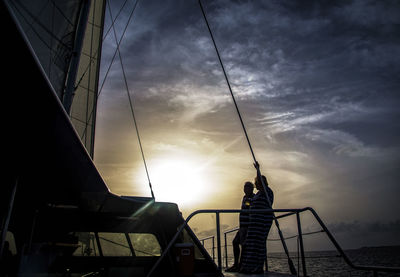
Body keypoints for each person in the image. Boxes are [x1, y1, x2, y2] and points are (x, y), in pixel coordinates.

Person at [239, 174, 274, 274]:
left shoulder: (267, 191)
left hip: (262, 222)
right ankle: (249, 267)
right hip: (253, 223)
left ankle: (258, 267)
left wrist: (258, 170)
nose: (255, 185)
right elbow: (250, 204)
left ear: (261, 183)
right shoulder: (258, 194)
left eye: (256, 183)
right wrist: (247, 203)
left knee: (259, 244)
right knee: (251, 245)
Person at [225, 181, 254, 272]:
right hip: (242, 227)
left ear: (251, 188)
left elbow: (249, 207)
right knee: (235, 242)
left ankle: (240, 266)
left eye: (247, 187)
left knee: (244, 245)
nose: (245, 189)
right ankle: (236, 264)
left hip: (247, 226)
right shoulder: (244, 197)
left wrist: (248, 203)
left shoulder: (253, 198)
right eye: (244, 187)